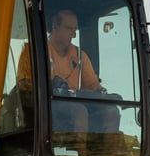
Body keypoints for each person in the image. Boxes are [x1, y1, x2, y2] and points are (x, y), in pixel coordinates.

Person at [17, 9, 118, 138]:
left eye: (75, 30)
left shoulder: (80, 56)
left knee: (111, 111)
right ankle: (79, 155)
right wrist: (50, 85)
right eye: (69, 29)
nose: (73, 35)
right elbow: (24, 86)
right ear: (55, 26)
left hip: (72, 104)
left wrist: (104, 93)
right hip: (44, 108)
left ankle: (106, 154)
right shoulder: (33, 52)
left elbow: (93, 84)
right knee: (78, 110)